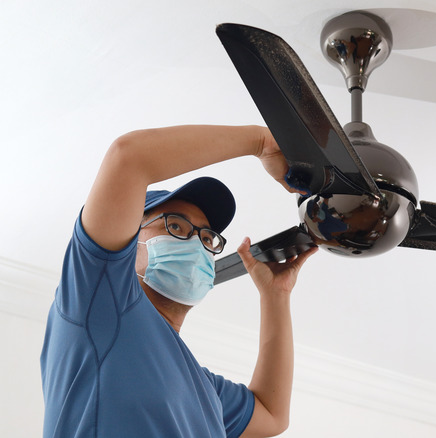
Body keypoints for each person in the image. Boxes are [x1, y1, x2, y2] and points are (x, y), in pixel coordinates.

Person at [40, 125, 317, 437]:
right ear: (130, 242)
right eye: (175, 225)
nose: (197, 244)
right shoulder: (99, 303)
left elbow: (271, 414)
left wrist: (275, 295)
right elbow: (128, 157)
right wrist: (262, 142)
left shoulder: (203, 389)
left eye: (208, 237)